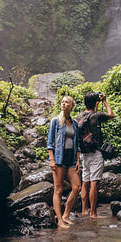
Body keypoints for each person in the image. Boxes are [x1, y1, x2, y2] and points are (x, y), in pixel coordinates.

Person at [77, 91, 115, 218]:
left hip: (84, 153)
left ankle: (84, 210)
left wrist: (95, 104)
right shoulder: (97, 115)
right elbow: (111, 115)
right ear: (95, 102)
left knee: (85, 182)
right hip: (96, 152)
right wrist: (104, 101)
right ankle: (93, 213)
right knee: (94, 182)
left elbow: (91, 115)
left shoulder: (80, 116)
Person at [47, 96, 82, 228]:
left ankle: (66, 215)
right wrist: (52, 159)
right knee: (58, 189)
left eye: (66, 102)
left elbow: (77, 143)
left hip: (71, 159)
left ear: (71, 106)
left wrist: (78, 160)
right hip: (59, 158)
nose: (63, 103)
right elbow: (50, 143)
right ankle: (59, 220)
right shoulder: (55, 121)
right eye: (62, 102)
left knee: (77, 187)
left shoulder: (74, 123)